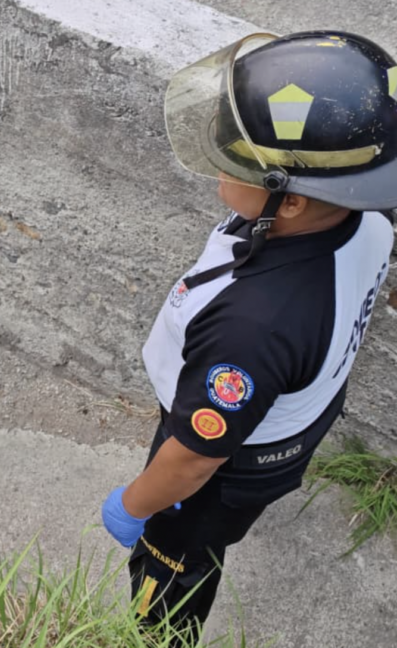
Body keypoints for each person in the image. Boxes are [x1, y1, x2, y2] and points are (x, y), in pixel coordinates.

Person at [101, 30, 397, 640]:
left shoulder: (252, 328)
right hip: (295, 412)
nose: (218, 168)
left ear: (288, 203)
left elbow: (192, 460)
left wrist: (135, 505)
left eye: (234, 161)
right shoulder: (367, 209)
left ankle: (155, 632)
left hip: (232, 463)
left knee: (175, 558)